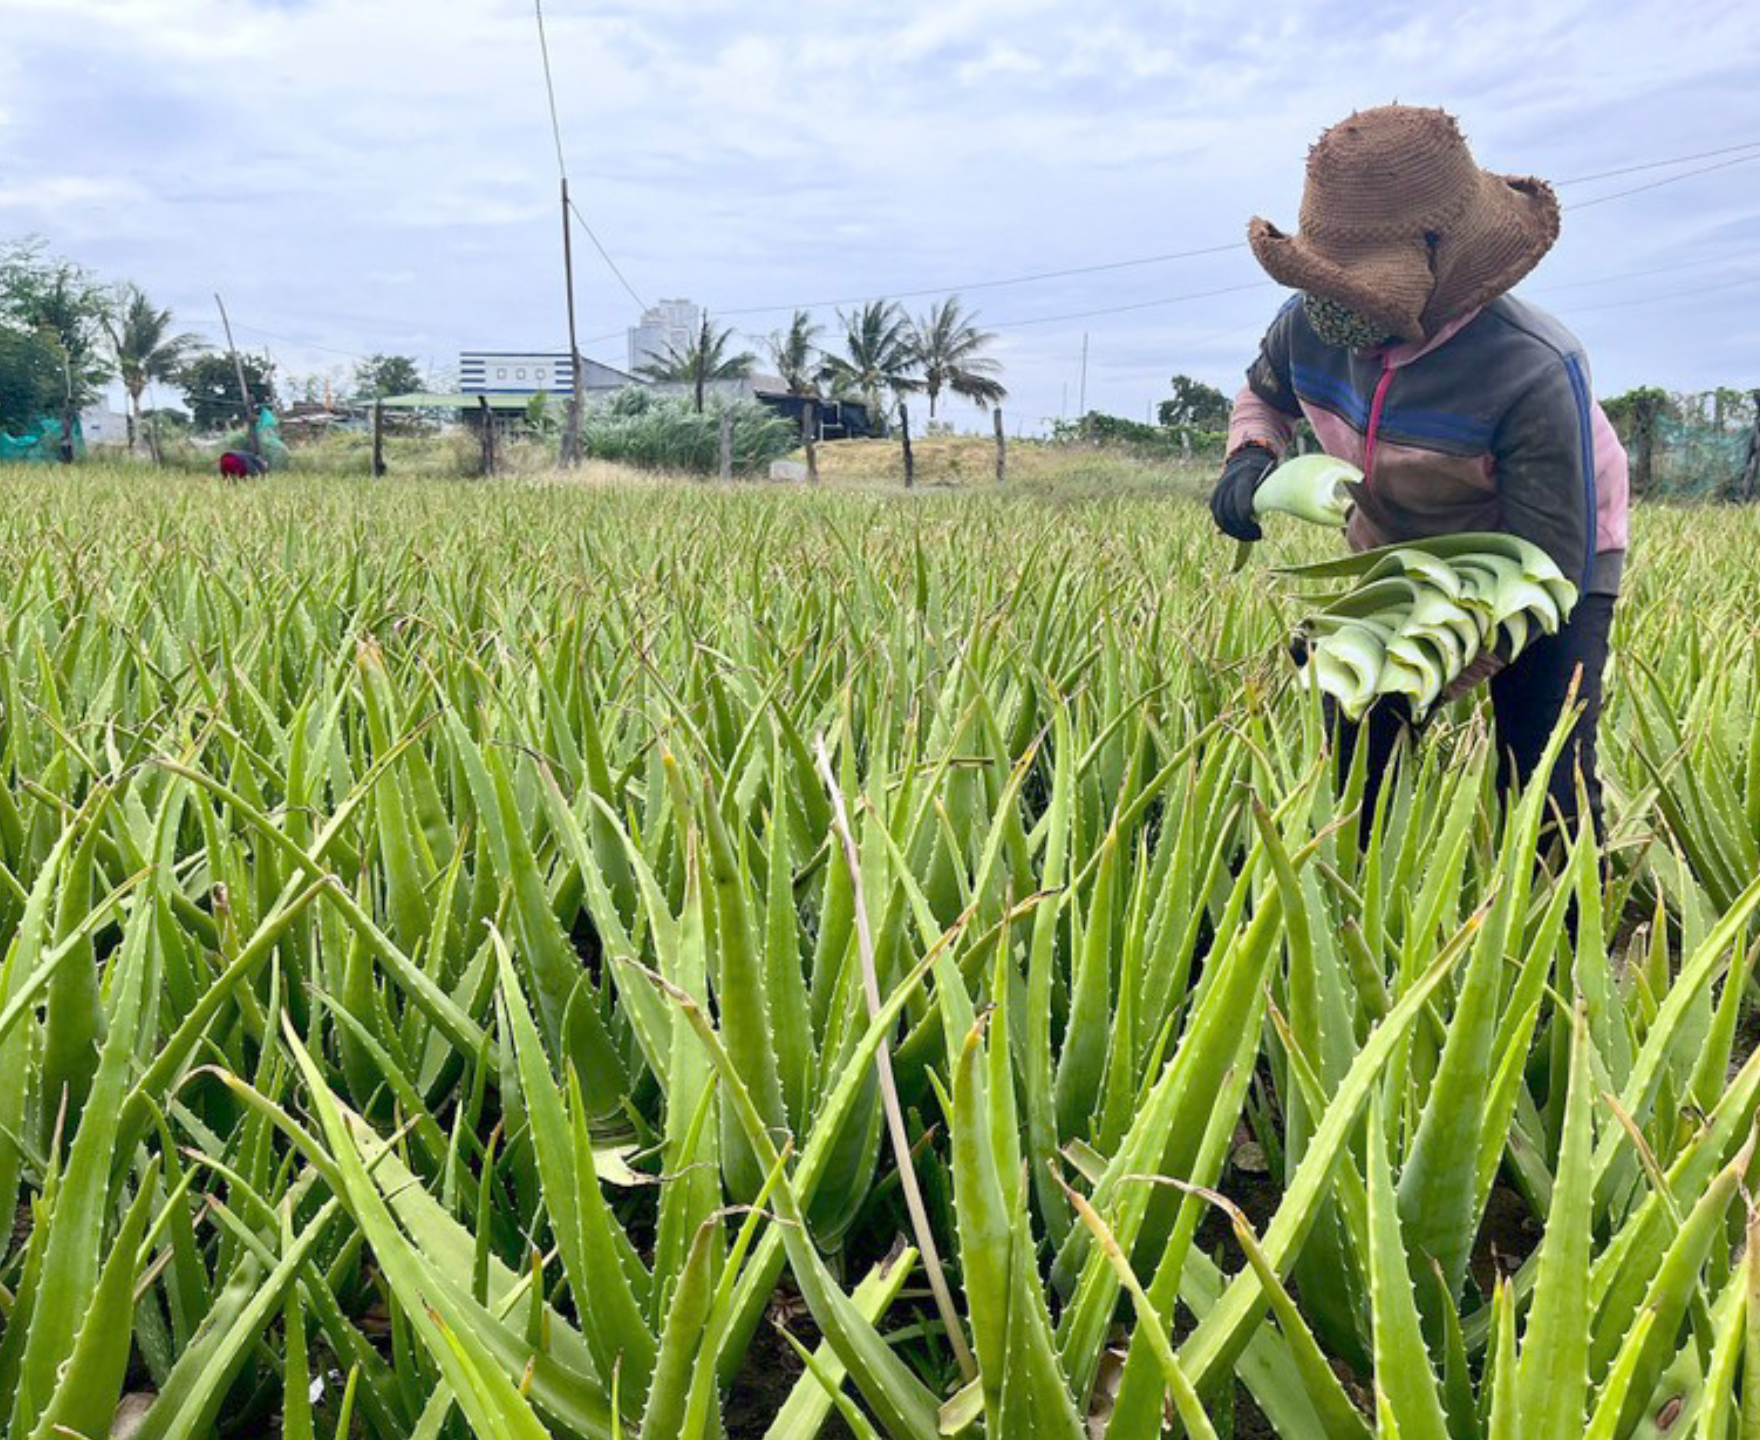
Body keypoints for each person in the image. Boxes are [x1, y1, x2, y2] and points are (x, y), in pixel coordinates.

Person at [1209, 105, 1629, 840]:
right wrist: (1249, 456)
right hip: (1395, 547)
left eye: (1359, 289)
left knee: (1543, 762)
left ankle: (1562, 900)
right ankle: (1361, 878)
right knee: (1358, 747)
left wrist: (1437, 659)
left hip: (1548, 560)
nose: (1331, 307)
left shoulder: (1531, 368)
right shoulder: (1307, 324)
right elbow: (1263, 396)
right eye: (1324, 281)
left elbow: (1547, 569)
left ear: (1444, 269)